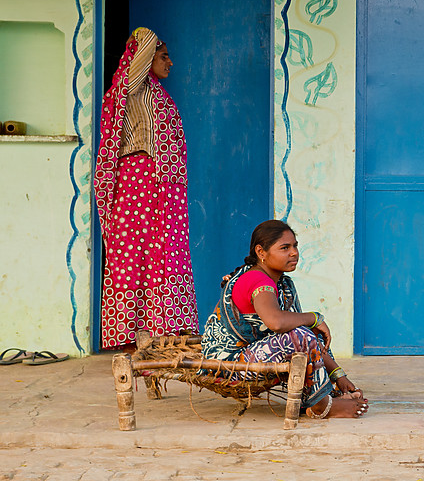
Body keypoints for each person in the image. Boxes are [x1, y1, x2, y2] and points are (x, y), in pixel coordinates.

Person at [93, 27, 198, 351]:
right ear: (144, 58)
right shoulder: (132, 87)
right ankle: (134, 338)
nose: (171, 62)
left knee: (165, 256)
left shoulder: (156, 92)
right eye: (164, 56)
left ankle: (162, 336)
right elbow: (146, 39)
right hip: (139, 182)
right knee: (135, 255)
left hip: (164, 186)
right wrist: (142, 36)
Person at [202, 220, 369, 419]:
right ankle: (321, 404)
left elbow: (308, 336)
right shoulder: (256, 279)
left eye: (295, 246)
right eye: (284, 248)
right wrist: (314, 317)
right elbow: (277, 323)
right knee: (299, 333)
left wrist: (338, 375)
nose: (294, 253)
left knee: (308, 332)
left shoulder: (282, 283)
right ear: (261, 252)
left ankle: (326, 393)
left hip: (254, 355)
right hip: (228, 365)